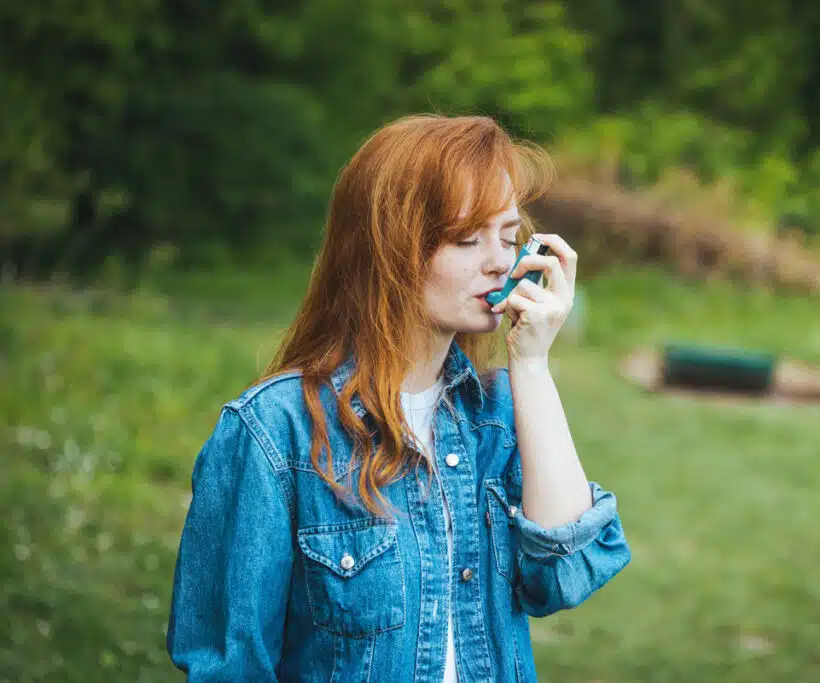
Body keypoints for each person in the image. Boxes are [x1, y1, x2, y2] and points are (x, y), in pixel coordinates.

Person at [166, 114, 631, 682]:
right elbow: (231, 666)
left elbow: (566, 573)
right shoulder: (273, 433)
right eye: (467, 238)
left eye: (509, 238)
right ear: (390, 247)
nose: (499, 262)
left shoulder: (498, 413)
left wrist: (531, 365)